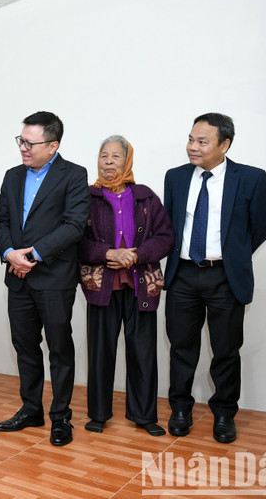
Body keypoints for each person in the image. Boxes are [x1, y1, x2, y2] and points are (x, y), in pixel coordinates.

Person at [164, 112, 266, 443]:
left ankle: (224, 414)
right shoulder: (176, 177)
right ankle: (181, 409)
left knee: (226, 350)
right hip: (182, 275)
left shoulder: (251, 178)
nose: (192, 147)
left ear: (224, 144)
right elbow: (169, 224)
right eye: (190, 139)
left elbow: (261, 225)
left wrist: (234, 256)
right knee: (181, 347)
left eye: (202, 141)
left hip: (224, 277)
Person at [0, 111, 89, 447]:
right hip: (17, 277)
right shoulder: (12, 175)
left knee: (59, 349)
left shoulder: (74, 175)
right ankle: (31, 409)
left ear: (53, 145)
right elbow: (1, 221)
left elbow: (74, 226)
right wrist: (10, 254)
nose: (23, 148)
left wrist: (31, 255)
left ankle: (61, 417)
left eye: (30, 143)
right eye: (21, 141)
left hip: (53, 277)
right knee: (25, 347)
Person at [78, 135, 173, 437]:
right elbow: (76, 238)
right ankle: (98, 414)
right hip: (101, 286)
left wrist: (136, 255)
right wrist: (107, 253)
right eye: (103, 156)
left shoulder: (146, 197)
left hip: (141, 285)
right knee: (100, 352)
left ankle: (144, 415)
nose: (108, 162)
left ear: (127, 159)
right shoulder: (86, 197)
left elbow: (166, 236)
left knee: (143, 352)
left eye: (116, 156)